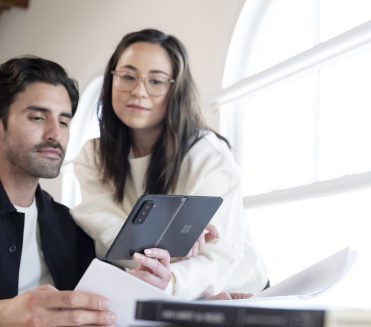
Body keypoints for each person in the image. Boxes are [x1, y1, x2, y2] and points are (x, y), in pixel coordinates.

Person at [71, 28, 268, 300]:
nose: (139, 92)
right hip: (151, 287)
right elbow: (107, 233)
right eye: (128, 77)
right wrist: (168, 249)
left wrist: (168, 277)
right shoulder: (93, 155)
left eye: (156, 81)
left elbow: (220, 254)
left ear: (176, 89)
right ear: (111, 80)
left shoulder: (207, 153)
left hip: (235, 292)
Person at [0, 56, 172, 327]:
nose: (56, 134)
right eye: (37, 117)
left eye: (64, 121)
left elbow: (102, 306)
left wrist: (141, 285)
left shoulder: (69, 225)